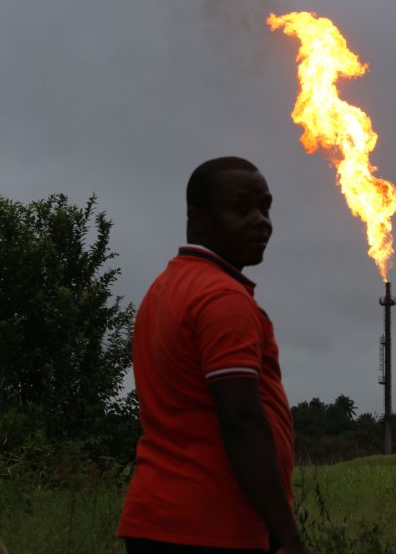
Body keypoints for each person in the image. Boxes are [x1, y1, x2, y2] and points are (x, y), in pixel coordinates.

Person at [118, 157, 302, 553]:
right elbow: (240, 419)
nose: (261, 221)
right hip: (211, 528)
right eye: (241, 208)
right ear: (199, 219)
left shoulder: (164, 288)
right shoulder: (222, 299)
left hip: (156, 522)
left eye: (265, 208)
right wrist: (288, 536)